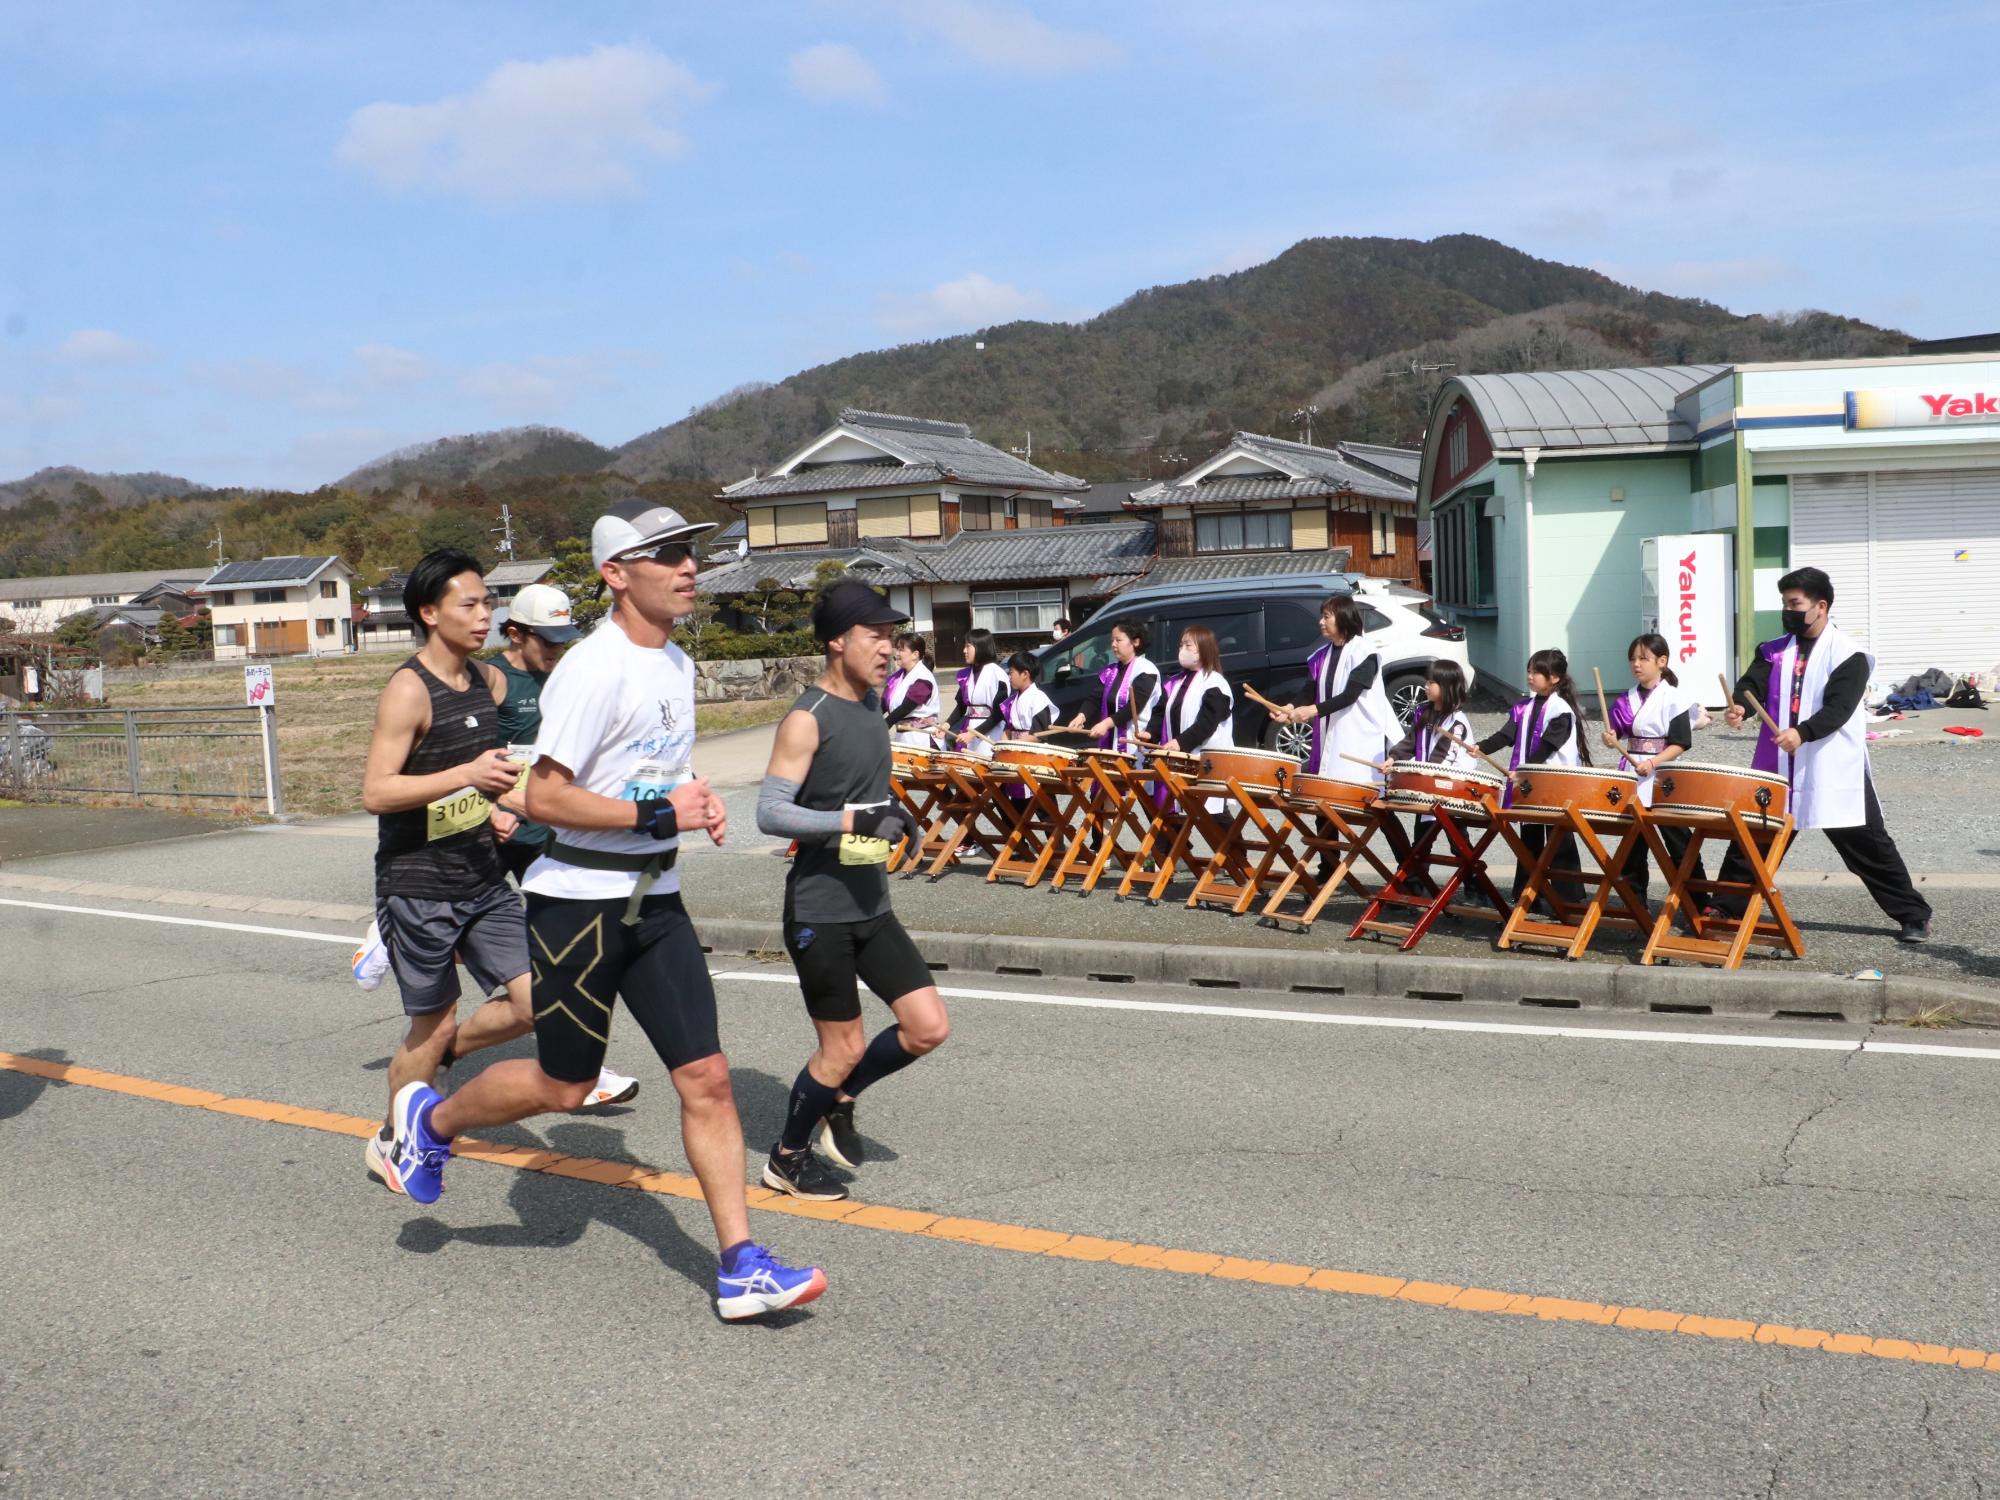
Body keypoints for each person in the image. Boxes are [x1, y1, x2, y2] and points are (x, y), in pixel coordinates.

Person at [384, 501, 826, 1320]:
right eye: (665, 555)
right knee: (565, 1087)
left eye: (690, 552)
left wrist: (691, 797)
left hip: (654, 899)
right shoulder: (594, 667)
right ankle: (432, 1119)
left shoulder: (677, 663)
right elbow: (545, 794)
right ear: (617, 576)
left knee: (709, 1077)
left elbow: (653, 763)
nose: (687, 566)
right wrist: (658, 817)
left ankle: (739, 1265)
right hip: (577, 904)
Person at [754, 581, 950, 1201]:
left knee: (927, 1026)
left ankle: (840, 1099)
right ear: (838, 641)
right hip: (820, 911)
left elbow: (864, 793)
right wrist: (850, 823)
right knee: (841, 1046)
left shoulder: (871, 707)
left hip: (872, 904)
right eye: (877, 636)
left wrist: (897, 814)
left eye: (893, 637)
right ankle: (786, 1158)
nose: (889, 648)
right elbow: (770, 814)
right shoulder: (806, 718)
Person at [358, 548, 534, 1194]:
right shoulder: (408, 690)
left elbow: (488, 778)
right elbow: (376, 792)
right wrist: (466, 778)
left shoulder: (487, 683)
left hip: (483, 879)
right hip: (420, 887)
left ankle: (449, 1055)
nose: (486, 613)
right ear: (429, 613)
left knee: (536, 1000)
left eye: (489, 602)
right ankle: (392, 1139)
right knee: (430, 1024)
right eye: (471, 603)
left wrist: (498, 806)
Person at [1719, 566, 1931, 942]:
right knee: (1755, 836)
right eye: (1785, 603)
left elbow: (1840, 707)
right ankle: (1723, 906)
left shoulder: (1850, 655)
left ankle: (1912, 914)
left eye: (1794, 603)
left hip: (1831, 764)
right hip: (1779, 762)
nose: (1788, 611)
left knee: (1866, 844)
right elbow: (1752, 684)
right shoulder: (1773, 651)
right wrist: (1739, 707)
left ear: (1821, 606)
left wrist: (1803, 733)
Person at [490, 580, 639, 1110]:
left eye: (563, 638)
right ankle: (393, 933)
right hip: (495, 833)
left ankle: (583, 1065)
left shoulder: (569, 679)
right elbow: (458, 750)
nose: (556, 648)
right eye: (546, 640)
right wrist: (493, 807)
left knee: (562, 959)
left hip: (546, 834)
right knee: (448, 938)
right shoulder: (496, 678)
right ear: (515, 632)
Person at [1477, 647, 1590, 904]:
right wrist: (1482, 747)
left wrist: (1526, 771)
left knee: (1558, 840)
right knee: (1529, 840)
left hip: (1553, 783)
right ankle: (1527, 895)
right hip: (1529, 782)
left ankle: (1569, 897)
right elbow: (1507, 735)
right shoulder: (1524, 708)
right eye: (1529, 671)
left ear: (1555, 678)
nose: (1531, 676)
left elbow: (1549, 746)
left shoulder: (1561, 710)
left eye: (1538, 672)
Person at [1603, 633, 1705, 907]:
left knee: (1678, 841)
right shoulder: (1626, 699)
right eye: (1633, 659)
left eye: (1643, 658)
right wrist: (1610, 738)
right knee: (1633, 843)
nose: (1636, 664)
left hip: (1664, 774)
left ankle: (1699, 901)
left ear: (1662, 661)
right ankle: (1634, 902)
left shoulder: (1674, 698)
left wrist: (1654, 762)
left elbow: (1682, 742)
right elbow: (1618, 732)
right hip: (1632, 774)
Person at [1273, 595, 1397, 785]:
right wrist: (1289, 707)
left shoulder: (1364, 653)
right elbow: (1309, 690)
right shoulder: (1321, 656)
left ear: (1343, 617)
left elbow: (1350, 696)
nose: (1321, 622)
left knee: (1357, 795)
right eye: (1322, 617)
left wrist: (1312, 711)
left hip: (1358, 735)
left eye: (1326, 616)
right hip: (1329, 730)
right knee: (1327, 793)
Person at [1067, 619, 1157, 754]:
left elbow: (1134, 707)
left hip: (1135, 741)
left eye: (1118, 640)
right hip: (1111, 739)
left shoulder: (1146, 670)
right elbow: (1095, 698)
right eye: (1112, 641)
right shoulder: (1110, 671)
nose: (1113, 645)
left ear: (1135, 642)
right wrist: (1081, 716)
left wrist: (1105, 724)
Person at [1144, 625, 1234, 757]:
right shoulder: (1172, 683)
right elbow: (1160, 714)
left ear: (1204, 649)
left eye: (1188, 646)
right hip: (1177, 759)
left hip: (1208, 761)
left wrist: (1181, 742)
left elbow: (1207, 723)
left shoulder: (1215, 683)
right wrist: (1150, 734)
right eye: (1181, 645)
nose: (1182, 650)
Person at [1382, 660, 1476, 769]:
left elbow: (1444, 756)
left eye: (1431, 683)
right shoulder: (1422, 713)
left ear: (1446, 686)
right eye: (1426, 681)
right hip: (1426, 774)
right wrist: (1393, 758)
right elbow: (1410, 742)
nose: (1426, 686)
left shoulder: (1456, 721)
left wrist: (1422, 775)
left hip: (1448, 779)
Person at [948, 628, 1008, 759]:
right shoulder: (966, 674)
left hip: (990, 734)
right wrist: (946, 725)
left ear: (981, 647)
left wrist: (973, 734)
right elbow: (962, 706)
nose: (964, 651)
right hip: (968, 731)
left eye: (968, 646)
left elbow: (999, 714)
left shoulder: (997, 675)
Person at [882, 631, 939, 748]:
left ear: (915, 654)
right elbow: (882, 705)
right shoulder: (895, 678)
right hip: (903, 737)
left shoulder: (924, 677)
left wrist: (883, 725)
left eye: (901, 650)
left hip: (921, 739)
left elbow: (906, 707)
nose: (896, 653)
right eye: (897, 649)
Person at [998, 652, 1058, 738]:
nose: (1009, 677)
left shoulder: (1040, 699)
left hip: (1031, 749)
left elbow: (1039, 735)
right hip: (1013, 748)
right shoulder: (1012, 700)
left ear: (1025, 674)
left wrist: (1016, 744)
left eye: (1011, 672)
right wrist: (1000, 746)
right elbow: (1008, 730)